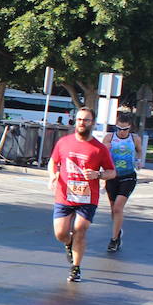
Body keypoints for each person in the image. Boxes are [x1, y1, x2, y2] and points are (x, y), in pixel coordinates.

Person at [48, 108, 116, 282]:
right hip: (65, 195)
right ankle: (69, 244)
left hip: (87, 197)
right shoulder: (64, 142)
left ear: (92, 122)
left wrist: (98, 175)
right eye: (79, 119)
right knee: (61, 234)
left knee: (80, 229)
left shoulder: (99, 148)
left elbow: (111, 172)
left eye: (86, 120)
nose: (82, 123)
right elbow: (53, 162)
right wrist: (53, 175)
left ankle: (75, 268)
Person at [101, 112, 143, 252]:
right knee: (113, 208)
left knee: (118, 207)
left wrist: (138, 161)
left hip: (128, 176)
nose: (122, 132)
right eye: (119, 128)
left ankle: (113, 240)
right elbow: (101, 154)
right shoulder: (109, 137)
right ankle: (117, 233)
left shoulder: (135, 138)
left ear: (130, 128)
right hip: (112, 176)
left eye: (125, 129)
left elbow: (139, 151)